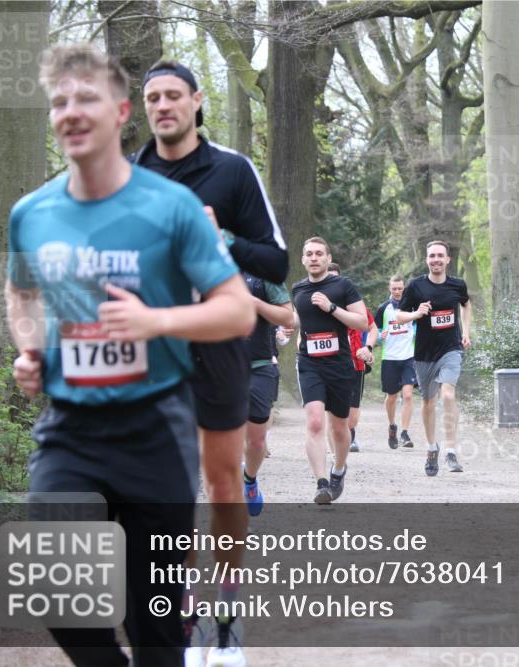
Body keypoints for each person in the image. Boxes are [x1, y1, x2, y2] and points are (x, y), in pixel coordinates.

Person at [6, 43, 255, 667]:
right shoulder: (31, 214)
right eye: (59, 101)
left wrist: (155, 321)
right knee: (55, 590)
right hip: (70, 429)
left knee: (156, 629)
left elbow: (237, 310)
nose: (70, 111)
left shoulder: (170, 208)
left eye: (86, 98)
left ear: (121, 113)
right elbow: (22, 294)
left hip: (155, 431)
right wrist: (30, 348)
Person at [133, 59, 288, 665]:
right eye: (152, 97)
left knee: (222, 483)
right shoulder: (130, 176)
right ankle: (179, 613)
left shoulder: (231, 170)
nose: (163, 105)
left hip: (220, 345)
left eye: (173, 95)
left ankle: (226, 618)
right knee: (163, 491)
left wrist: (221, 239)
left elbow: (276, 263)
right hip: (151, 347)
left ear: (197, 101)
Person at [291, 239, 369, 503]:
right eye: (309, 254)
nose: (314, 258)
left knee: (339, 427)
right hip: (309, 363)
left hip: (339, 364)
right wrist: (287, 325)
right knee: (315, 422)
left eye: (319, 254)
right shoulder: (298, 288)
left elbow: (362, 322)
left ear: (328, 258)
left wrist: (332, 308)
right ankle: (321, 483)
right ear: (303, 259)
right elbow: (299, 319)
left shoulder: (343, 286)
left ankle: (338, 470)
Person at [395, 241, 472, 476]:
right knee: (428, 402)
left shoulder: (457, 285)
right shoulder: (416, 286)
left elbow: (466, 305)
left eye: (440, 255)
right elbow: (399, 316)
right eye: (432, 256)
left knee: (447, 395)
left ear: (448, 259)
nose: (436, 259)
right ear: (427, 260)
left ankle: (451, 451)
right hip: (424, 353)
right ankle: (431, 448)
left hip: (451, 349)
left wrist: (466, 332)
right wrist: (417, 314)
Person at [242, 273, 294, 517]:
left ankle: (249, 480)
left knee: (256, 441)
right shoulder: (207, 267)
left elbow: (287, 316)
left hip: (259, 365)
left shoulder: (263, 274)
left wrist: (255, 303)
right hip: (219, 365)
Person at [327, 263, 377, 453]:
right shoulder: (318, 306)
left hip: (356, 365)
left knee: (352, 418)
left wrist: (368, 348)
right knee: (332, 413)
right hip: (330, 365)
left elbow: (373, 329)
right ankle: (335, 451)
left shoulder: (354, 304)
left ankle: (348, 435)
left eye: (335, 278)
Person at [373, 275, 418, 449]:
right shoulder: (383, 308)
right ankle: (392, 425)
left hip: (408, 356)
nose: (397, 291)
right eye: (394, 289)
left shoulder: (411, 307)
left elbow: (418, 326)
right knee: (391, 396)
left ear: (404, 288)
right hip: (390, 358)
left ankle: (405, 433)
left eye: (400, 288)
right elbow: (374, 332)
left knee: (407, 395)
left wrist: (416, 334)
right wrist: (379, 337)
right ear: (389, 288)